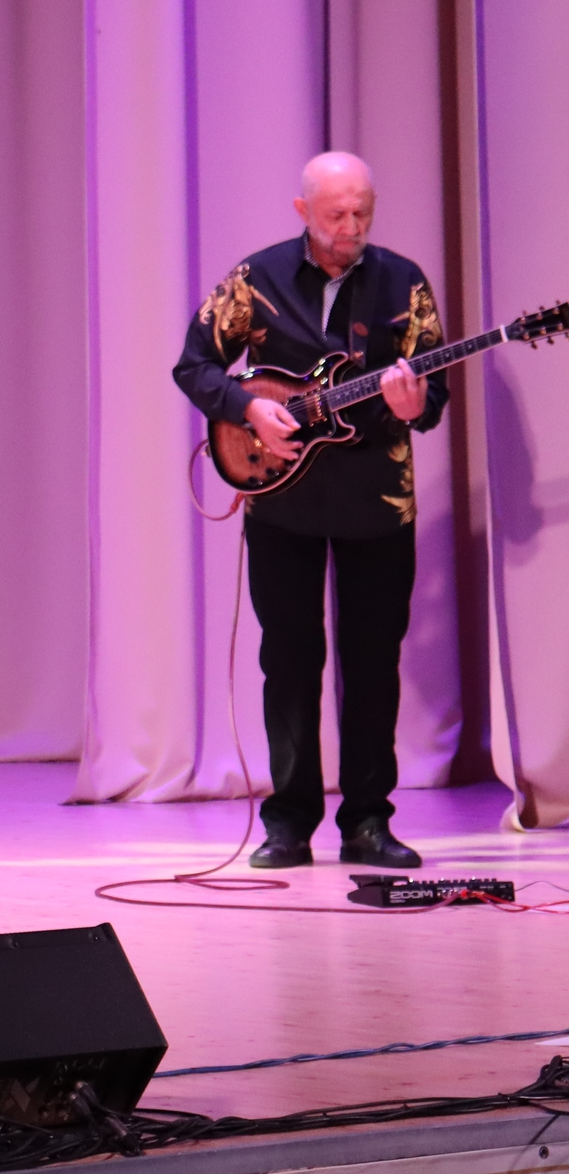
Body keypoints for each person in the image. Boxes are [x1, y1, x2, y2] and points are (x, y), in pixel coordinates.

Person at [173, 150, 446, 872]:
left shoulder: (404, 281)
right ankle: (289, 822)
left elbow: (434, 396)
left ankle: (368, 821)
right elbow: (194, 363)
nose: (350, 226)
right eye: (335, 214)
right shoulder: (256, 279)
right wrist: (247, 409)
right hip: (281, 498)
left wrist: (415, 406)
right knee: (289, 661)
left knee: (373, 661)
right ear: (303, 211)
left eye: (362, 212)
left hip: (377, 501)